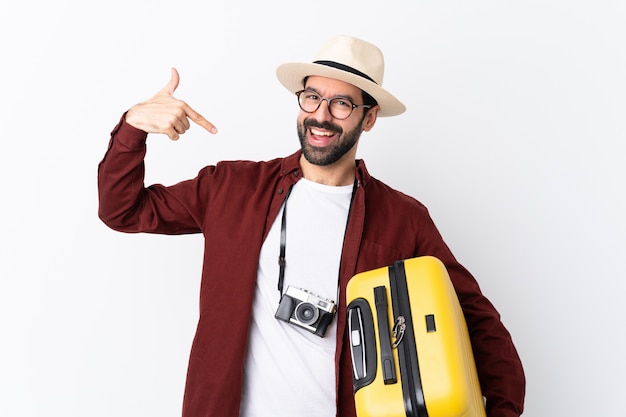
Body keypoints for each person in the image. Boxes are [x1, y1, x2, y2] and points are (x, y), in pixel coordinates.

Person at [98, 35, 525, 417]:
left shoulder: (402, 218)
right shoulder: (232, 187)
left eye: (341, 104)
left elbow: (478, 320)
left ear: (369, 118)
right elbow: (123, 210)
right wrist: (133, 128)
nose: (320, 116)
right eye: (311, 97)